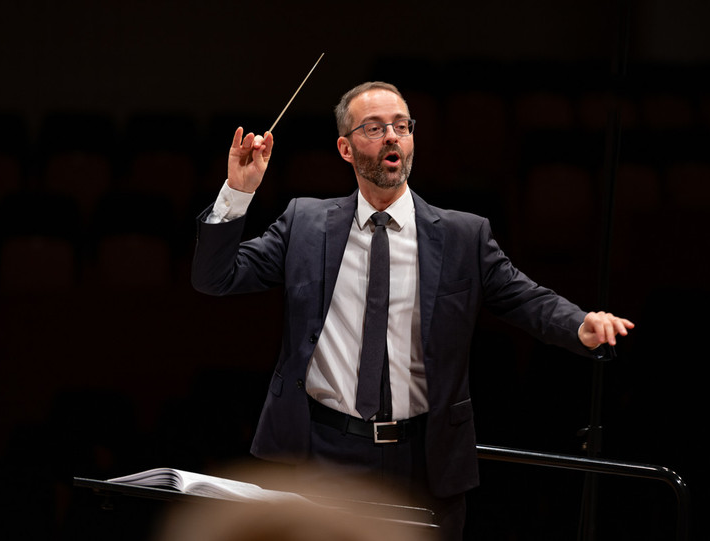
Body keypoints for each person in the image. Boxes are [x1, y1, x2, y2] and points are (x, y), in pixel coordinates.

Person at [191, 81, 634, 540]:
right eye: (375, 127)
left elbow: (524, 297)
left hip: (423, 458)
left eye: (402, 126)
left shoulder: (464, 235)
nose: (392, 136)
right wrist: (237, 194)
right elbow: (215, 278)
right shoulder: (305, 223)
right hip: (320, 451)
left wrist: (581, 323)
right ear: (345, 148)